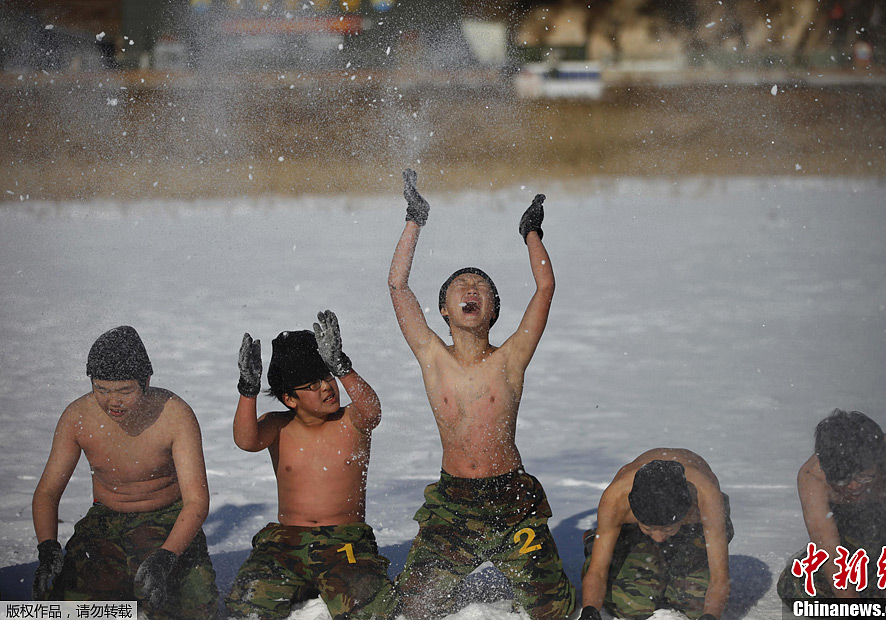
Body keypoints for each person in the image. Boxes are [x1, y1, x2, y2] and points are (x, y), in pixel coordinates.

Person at [387, 169, 575, 620]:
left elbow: (545, 288)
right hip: (454, 505)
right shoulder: (433, 357)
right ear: (444, 309)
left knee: (556, 611)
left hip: (512, 500)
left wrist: (531, 232)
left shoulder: (510, 359)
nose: (471, 290)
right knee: (413, 608)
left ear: (492, 310)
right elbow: (397, 286)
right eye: (460, 287)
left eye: (482, 289)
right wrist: (414, 220)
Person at [31, 326, 218, 619]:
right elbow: (47, 492)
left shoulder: (174, 414)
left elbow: (196, 500)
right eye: (101, 389)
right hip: (106, 519)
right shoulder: (78, 417)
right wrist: (48, 548)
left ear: (146, 381)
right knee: (68, 608)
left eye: (125, 391)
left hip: (166, 517)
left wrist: (166, 556)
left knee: (190, 611)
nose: (112, 401)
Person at [225, 311, 396, 620]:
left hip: (344, 541)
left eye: (326, 377)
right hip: (286, 543)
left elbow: (373, 411)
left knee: (370, 608)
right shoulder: (278, 426)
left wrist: (341, 365)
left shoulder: (351, 421)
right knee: (247, 604)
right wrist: (248, 390)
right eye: (312, 385)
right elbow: (246, 440)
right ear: (290, 398)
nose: (326, 387)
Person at [777, 409, 886, 602]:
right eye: (842, 481)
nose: (855, 487)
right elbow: (829, 550)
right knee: (796, 585)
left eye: (864, 476)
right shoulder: (812, 476)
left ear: (878, 462)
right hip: (851, 534)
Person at [580, 449, 733, 620]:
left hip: (691, 528)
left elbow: (720, 577)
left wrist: (711, 617)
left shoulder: (706, 497)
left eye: (667, 530)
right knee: (630, 605)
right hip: (633, 530)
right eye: (649, 528)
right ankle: (600, 540)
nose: (658, 537)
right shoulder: (616, 500)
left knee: (696, 604)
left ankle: (667, 554)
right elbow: (598, 572)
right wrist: (590, 611)